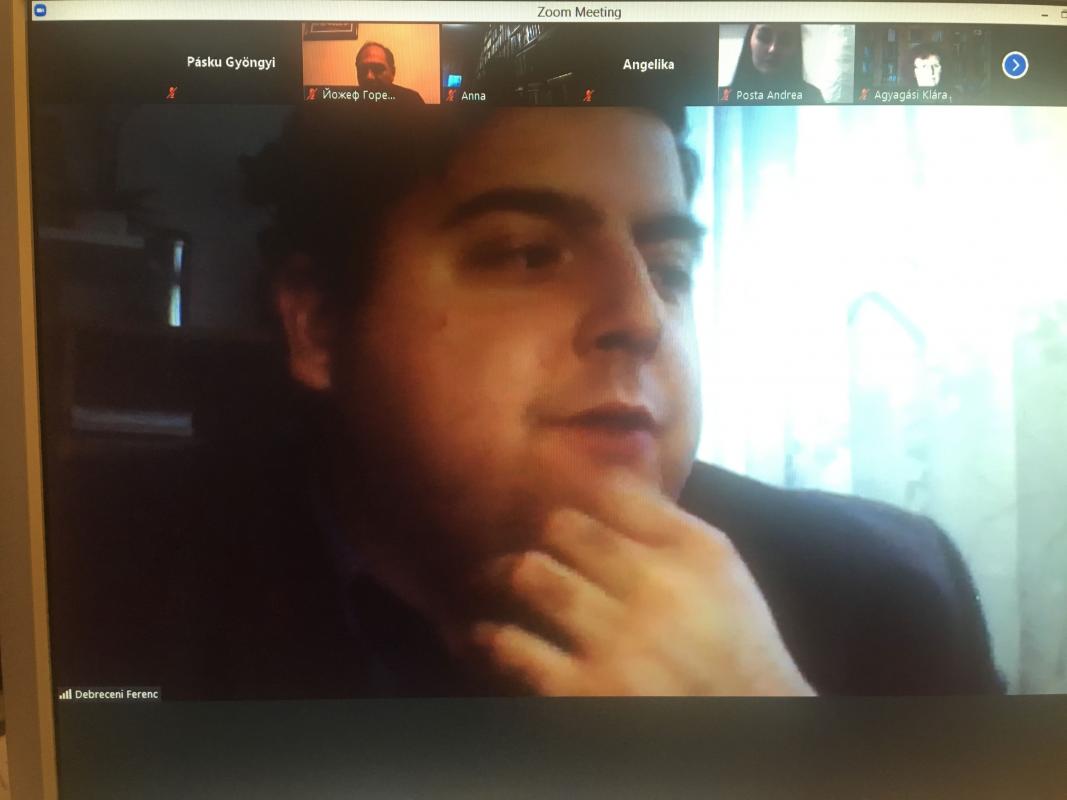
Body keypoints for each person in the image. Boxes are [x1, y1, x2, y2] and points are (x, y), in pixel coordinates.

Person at [217, 104, 1000, 697]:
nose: (641, 317)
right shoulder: (146, 581)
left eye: (669, 270)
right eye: (528, 255)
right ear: (319, 326)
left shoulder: (888, 593)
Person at [728, 23, 825, 103]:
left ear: (796, 48)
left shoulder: (812, 96)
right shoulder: (725, 96)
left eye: (785, 40)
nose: (773, 49)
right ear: (750, 38)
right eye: (764, 36)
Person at [354, 41, 425, 105]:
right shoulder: (350, 100)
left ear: (393, 72)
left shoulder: (410, 100)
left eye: (377, 69)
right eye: (363, 69)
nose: (369, 77)